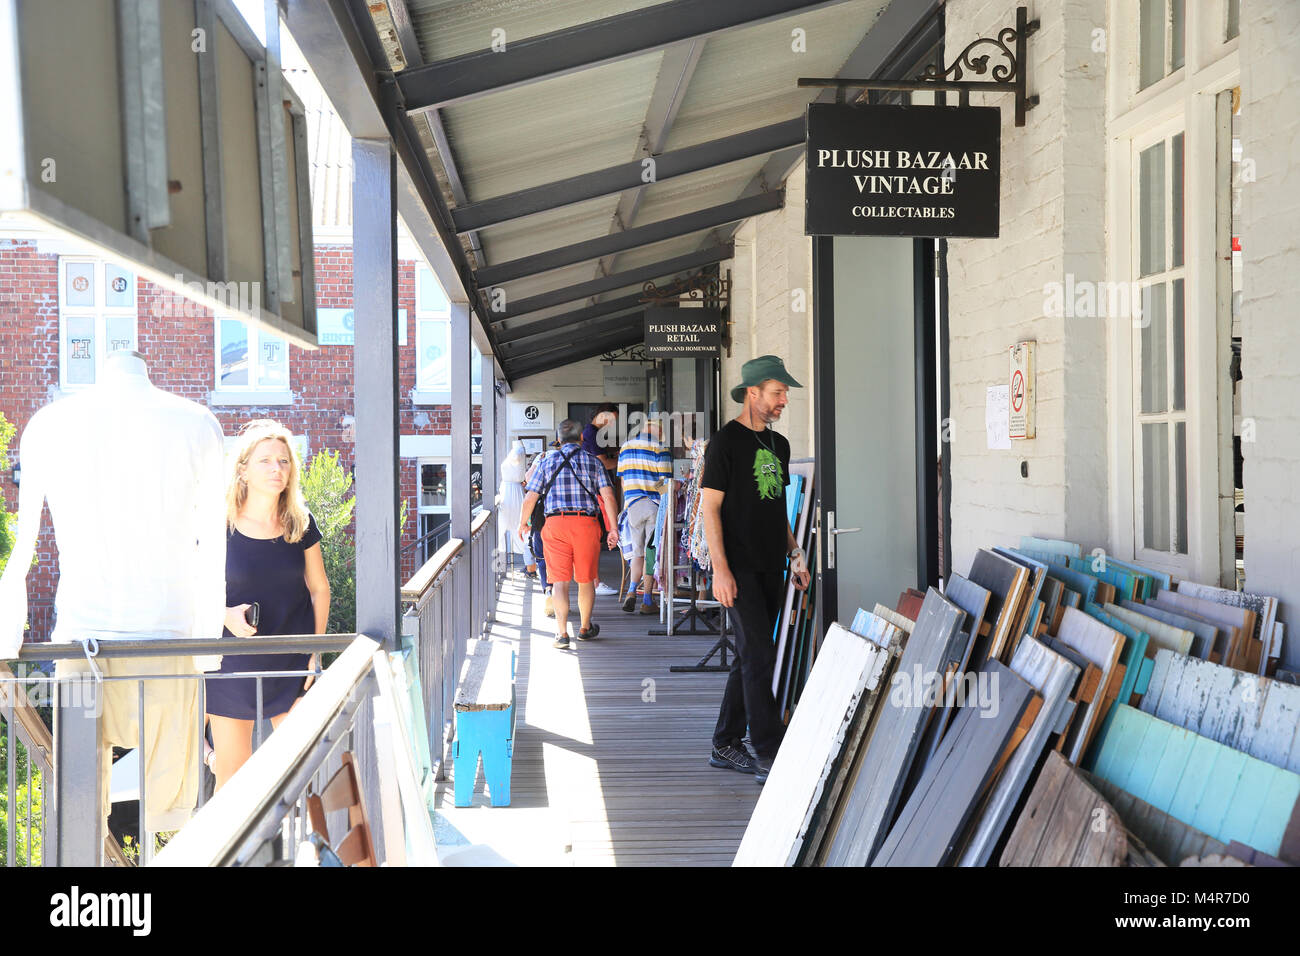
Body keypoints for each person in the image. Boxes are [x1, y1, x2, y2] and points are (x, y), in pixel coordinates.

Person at [699, 356, 810, 785]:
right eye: (777, 392)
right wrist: (720, 570)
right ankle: (769, 749)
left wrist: (795, 555)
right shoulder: (725, 443)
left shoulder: (778, 446)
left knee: (751, 655)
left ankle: (725, 742)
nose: (784, 400)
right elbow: (710, 509)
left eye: (784, 392)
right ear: (752, 394)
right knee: (760, 655)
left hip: (771, 567)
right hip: (738, 568)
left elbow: (777, 509)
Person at [206, 420, 330, 792]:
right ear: (242, 468)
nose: (277, 469)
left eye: (284, 461)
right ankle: (239, 852)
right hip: (231, 664)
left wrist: (314, 653)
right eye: (266, 461)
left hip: (291, 661)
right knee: (233, 780)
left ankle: (301, 848)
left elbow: (319, 589)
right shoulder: (218, 524)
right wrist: (223, 615)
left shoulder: (300, 523)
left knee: (301, 771)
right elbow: (190, 590)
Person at [518, 419, 619, 649]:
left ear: (559, 439)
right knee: (585, 580)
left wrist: (522, 523)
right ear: (581, 438)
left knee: (559, 582)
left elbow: (530, 497)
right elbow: (609, 496)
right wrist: (613, 528)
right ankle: (585, 628)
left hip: (555, 525)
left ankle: (562, 634)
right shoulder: (593, 462)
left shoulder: (546, 461)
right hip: (586, 524)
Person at [617, 416, 673, 615]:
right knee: (651, 553)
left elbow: (623, 480)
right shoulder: (660, 448)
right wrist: (654, 488)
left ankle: (631, 591)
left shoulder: (625, 447)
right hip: (653, 505)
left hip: (632, 505)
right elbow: (665, 484)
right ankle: (647, 599)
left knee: (638, 552)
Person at [582, 403, 621, 596]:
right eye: (611, 419)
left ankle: (592, 580)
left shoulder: (592, 433)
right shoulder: (592, 433)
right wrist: (625, 460)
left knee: (594, 539)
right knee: (594, 539)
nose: (613, 423)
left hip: (590, 493)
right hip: (595, 493)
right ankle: (595, 582)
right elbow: (603, 463)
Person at [498, 440, 529, 572]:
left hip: (513, 492)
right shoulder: (517, 451)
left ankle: (529, 562)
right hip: (509, 490)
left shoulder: (518, 451)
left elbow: (516, 459)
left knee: (516, 524)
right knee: (507, 523)